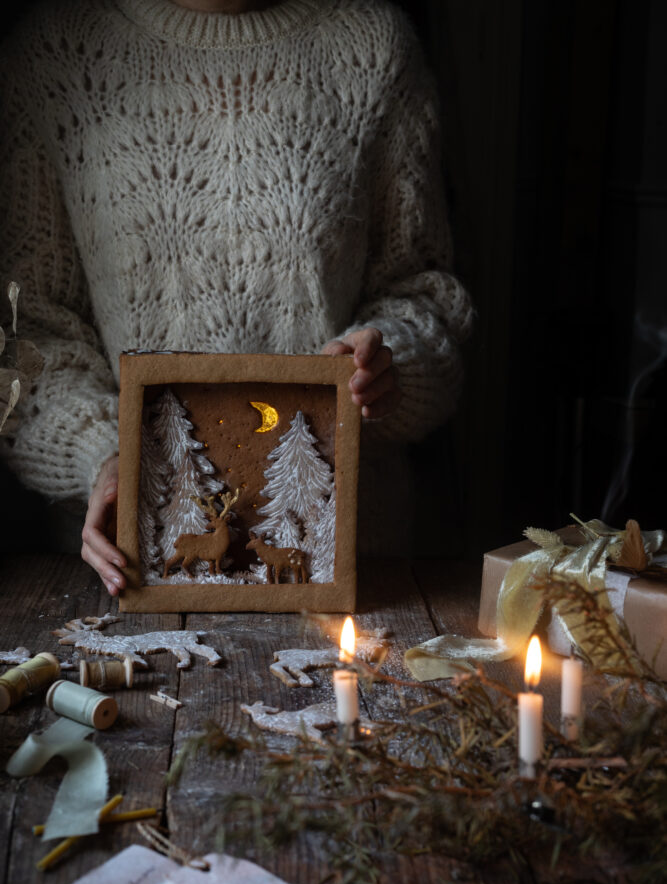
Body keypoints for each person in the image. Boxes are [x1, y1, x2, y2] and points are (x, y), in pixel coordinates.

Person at [0, 0, 472, 595]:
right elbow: (26, 335)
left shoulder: (372, 48)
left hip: (349, 574)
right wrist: (103, 452)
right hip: (125, 577)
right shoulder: (55, 53)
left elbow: (424, 293)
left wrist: (389, 366)